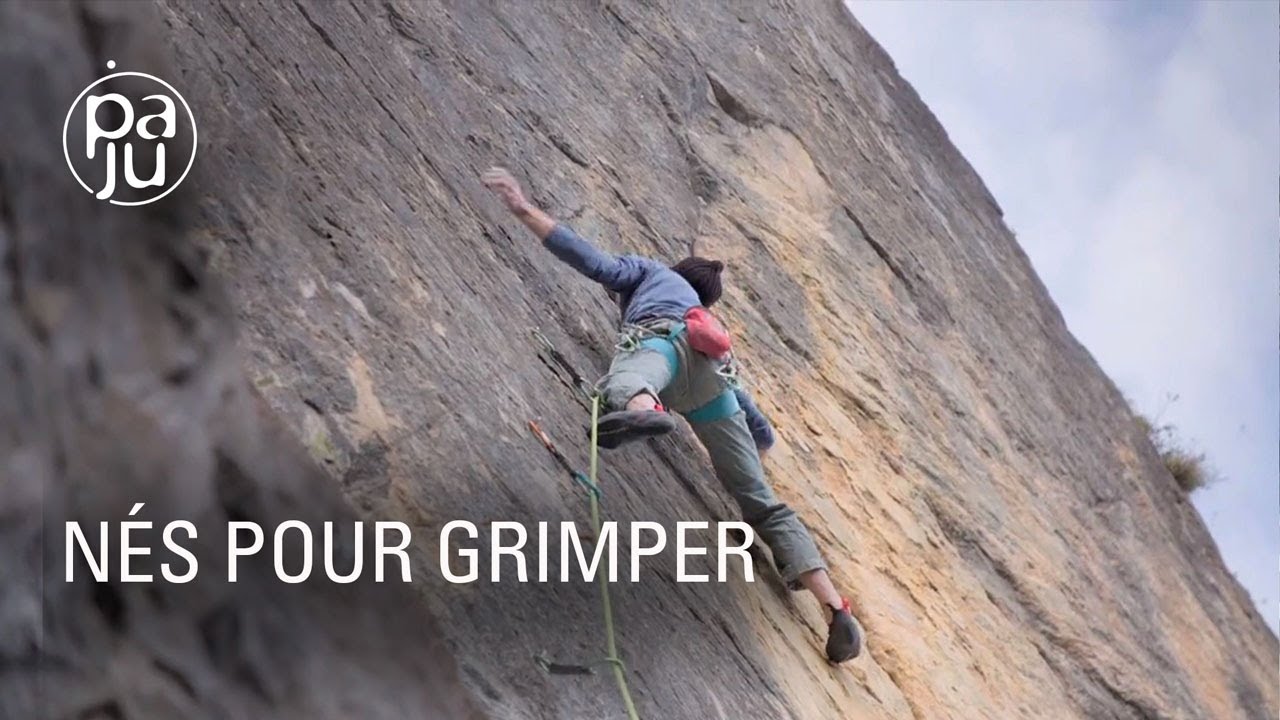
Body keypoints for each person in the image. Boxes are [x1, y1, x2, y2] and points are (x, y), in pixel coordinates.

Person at [482, 167, 863, 663]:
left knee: (625, 383)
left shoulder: (655, 275)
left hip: (661, 345)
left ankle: (645, 409)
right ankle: (835, 608)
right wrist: (749, 455)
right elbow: (760, 430)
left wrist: (524, 208)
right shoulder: (707, 323)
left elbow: (595, 263)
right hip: (713, 385)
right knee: (761, 501)